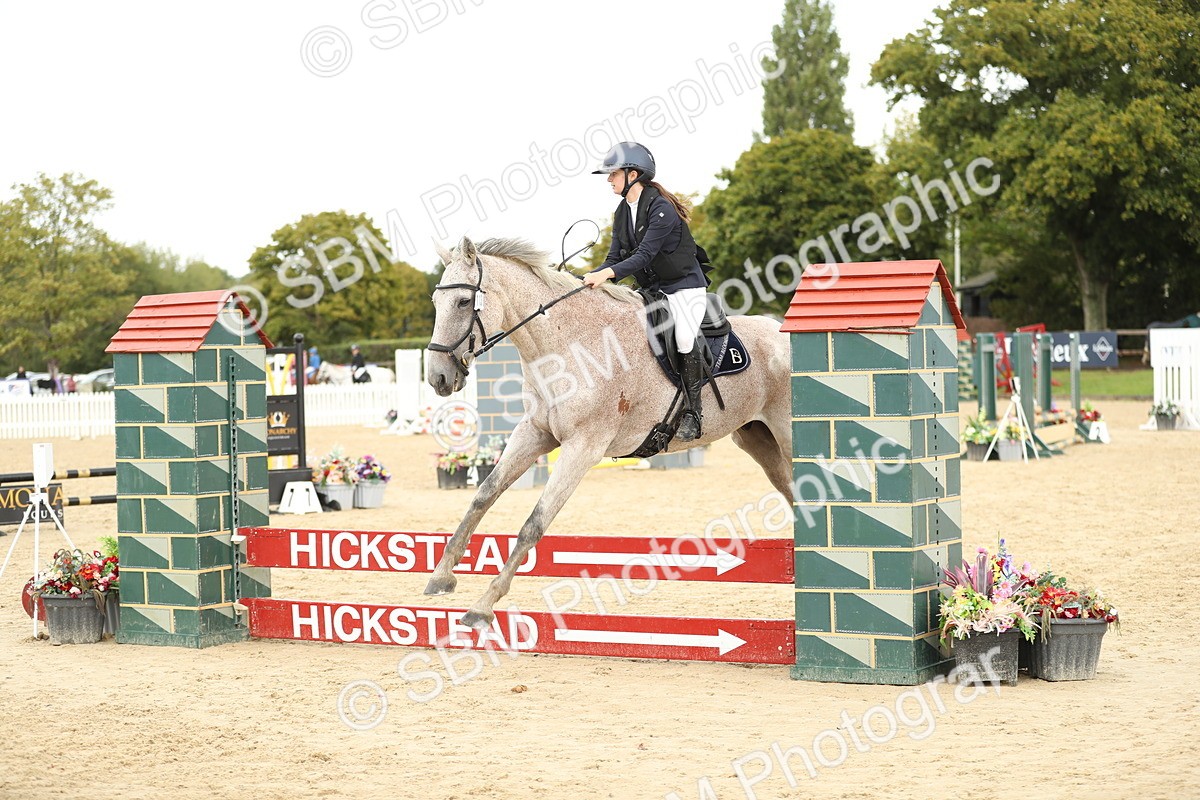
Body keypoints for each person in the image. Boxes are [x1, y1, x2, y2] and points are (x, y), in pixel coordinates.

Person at [583, 141, 708, 441]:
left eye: (613, 174)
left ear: (633, 174)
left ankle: (694, 412)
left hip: (685, 288)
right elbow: (614, 258)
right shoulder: (622, 212)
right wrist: (588, 280)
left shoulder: (660, 208)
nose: (609, 179)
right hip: (652, 291)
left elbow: (644, 256)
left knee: (683, 336)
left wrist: (606, 275)